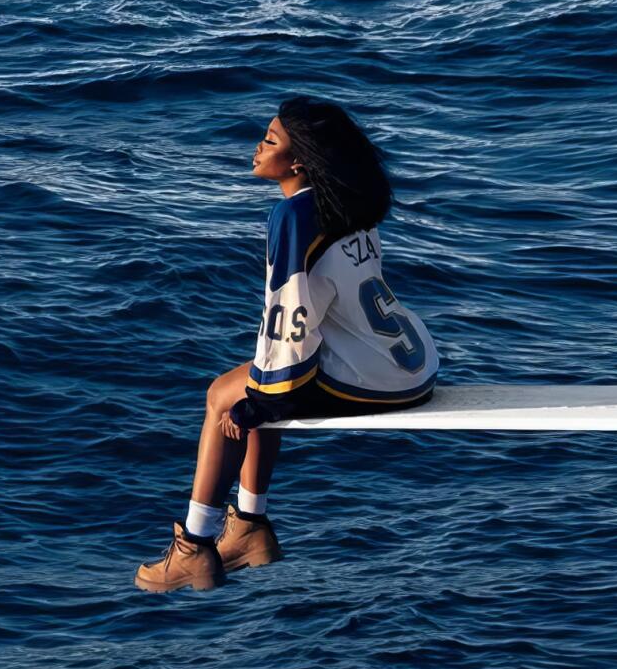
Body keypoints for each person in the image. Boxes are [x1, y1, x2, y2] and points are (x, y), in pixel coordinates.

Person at [134, 96, 440, 593]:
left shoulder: (295, 217)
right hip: (413, 366)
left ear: (298, 161)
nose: (257, 146)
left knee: (223, 396)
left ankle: (194, 547)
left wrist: (263, 401)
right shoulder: (348, 200)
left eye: (270, 140)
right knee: (257, 383)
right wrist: (265, 393)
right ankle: (250, 525)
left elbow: (291, 314)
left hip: (373, 381)